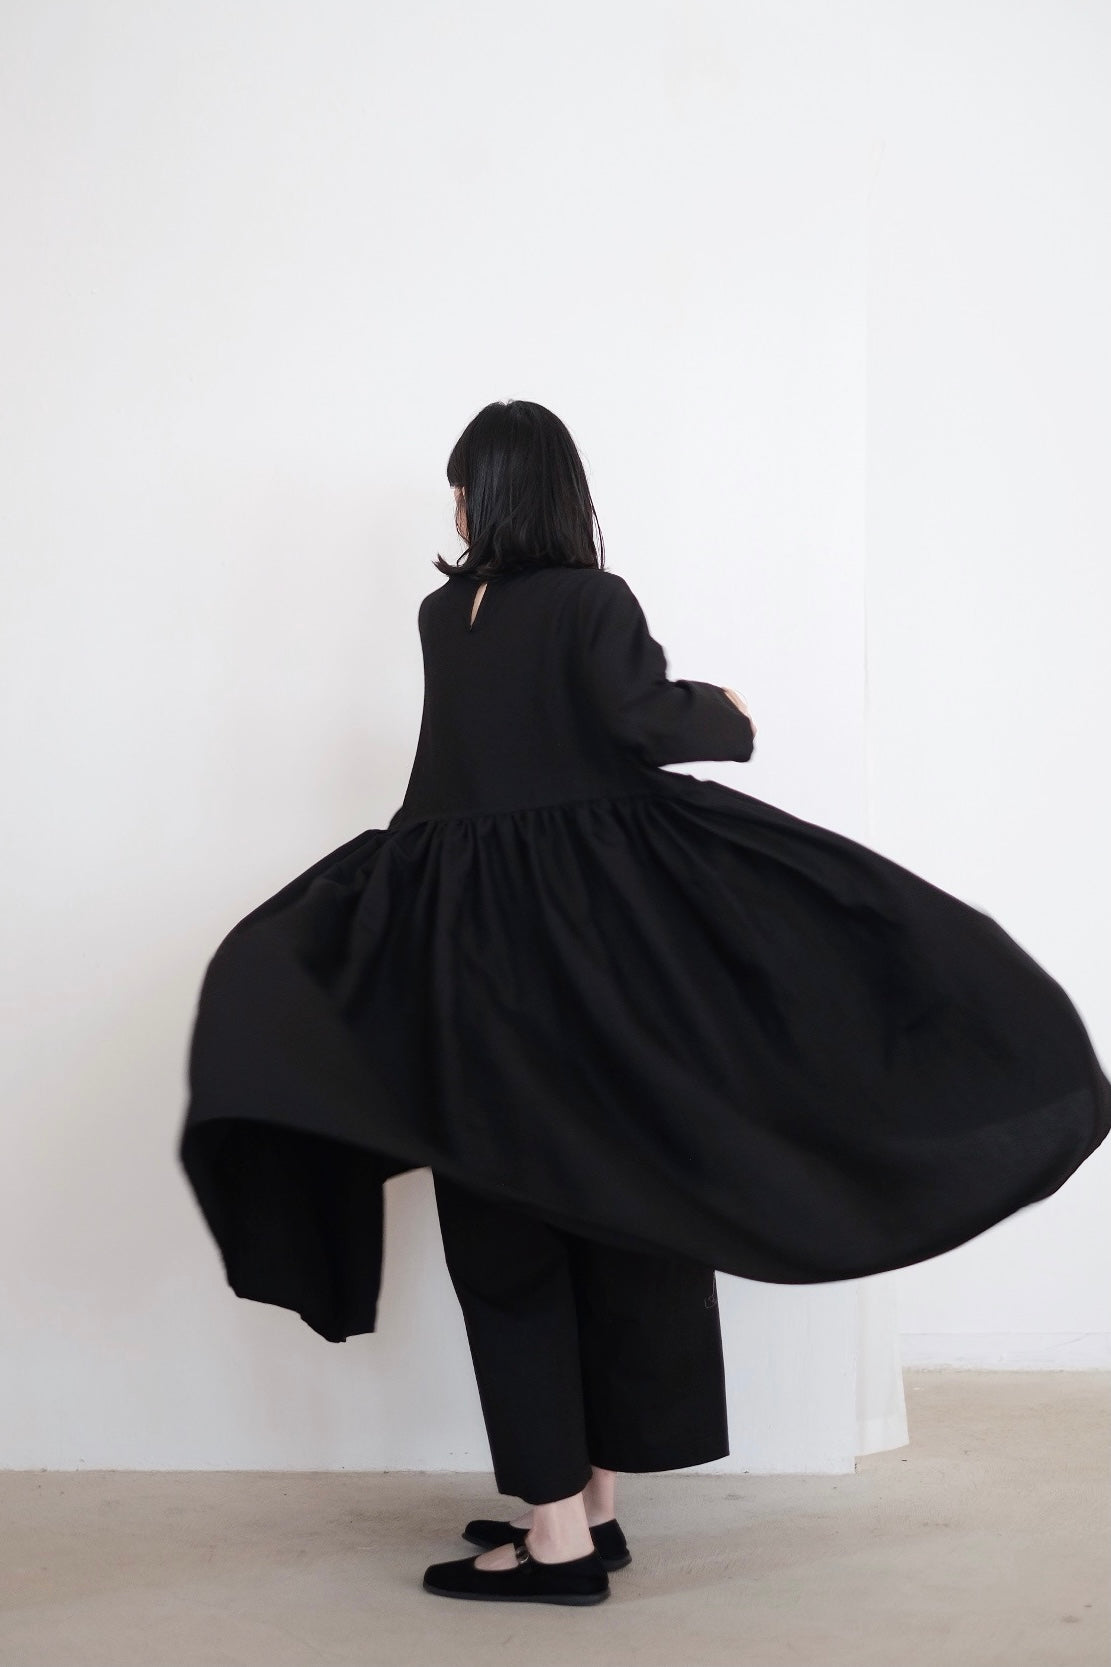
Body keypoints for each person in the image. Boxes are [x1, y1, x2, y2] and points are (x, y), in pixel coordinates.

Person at [179, 399, 1111, 1608]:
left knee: (504, 1229)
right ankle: (579, 1522)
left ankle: (563, 1518)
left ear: (489, 495)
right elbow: (642, 723)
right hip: (600, 964)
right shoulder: (591, 602)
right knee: (625, 1205)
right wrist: (725, 708)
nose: (452, 506)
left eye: (461, 485)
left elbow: (445, 784)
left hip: (473, 962)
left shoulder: (441, 615)